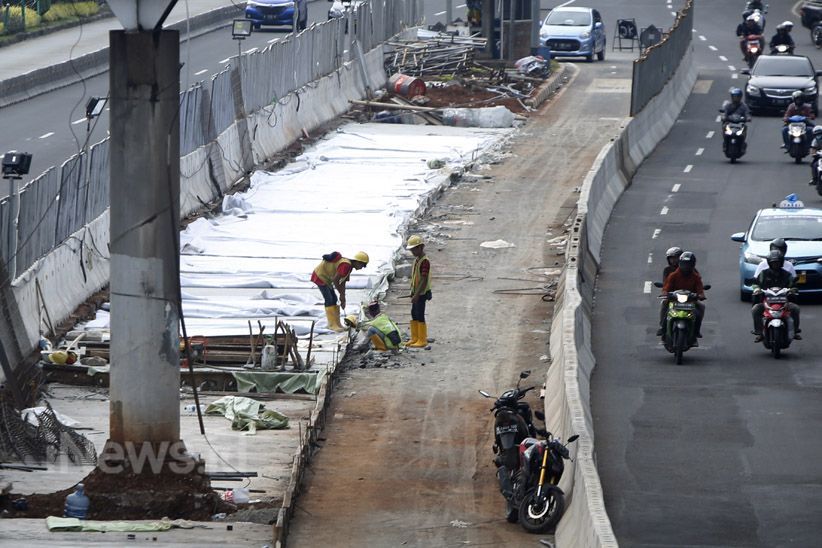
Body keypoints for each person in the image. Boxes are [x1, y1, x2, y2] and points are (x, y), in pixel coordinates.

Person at [311, 250, 369, 332]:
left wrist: (343, 297)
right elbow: (336, 280)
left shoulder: (349, 267)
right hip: (320, 276)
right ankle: (332, 325)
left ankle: (337, 324)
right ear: (358, 262)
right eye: (362, 265)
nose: (362, 268)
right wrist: (341, 295)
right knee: (329, 299)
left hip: (326, 279)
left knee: (334, 299)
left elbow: (343, 281)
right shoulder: (346, 265)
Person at [751, 250, 801, 342]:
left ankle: (795, 331)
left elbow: (794, 286)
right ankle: (759, 332)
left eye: (777, 262)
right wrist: (757, 289)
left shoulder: (787, 274)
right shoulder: (763, 274)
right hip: (766, 301)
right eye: (773, 263)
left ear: (781, 262)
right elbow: (755, 283)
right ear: (769, 263)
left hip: (784, 301)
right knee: (755, 309)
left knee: (795, 309)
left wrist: (792, 290)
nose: (775, 264)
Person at [657, 252, 706, 341]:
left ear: (692, 265)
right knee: (664, 303)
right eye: (684, 264)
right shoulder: (673, 275)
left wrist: (701, 295)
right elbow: (666, 287)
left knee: (701, 308)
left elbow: (700, 288)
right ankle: (662, 327)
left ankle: (696, 331)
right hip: (674, 298)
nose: (686, 267)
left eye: (688, 264)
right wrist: (665, 293)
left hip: (690, 299)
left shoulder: (695, 276)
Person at [405, 235, 432, 348]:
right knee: (414, 313)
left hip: (421, 293)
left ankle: (422, 339)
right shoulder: (417, 260)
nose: (412, 252)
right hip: (417, 292)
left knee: (420, 314)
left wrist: (416, 294)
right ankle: (415, 338)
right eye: (411, 250)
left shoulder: (424, 261)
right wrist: (413, 291)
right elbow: (416, 278)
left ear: (421, 247)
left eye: (414, 249)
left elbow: (424, 280)